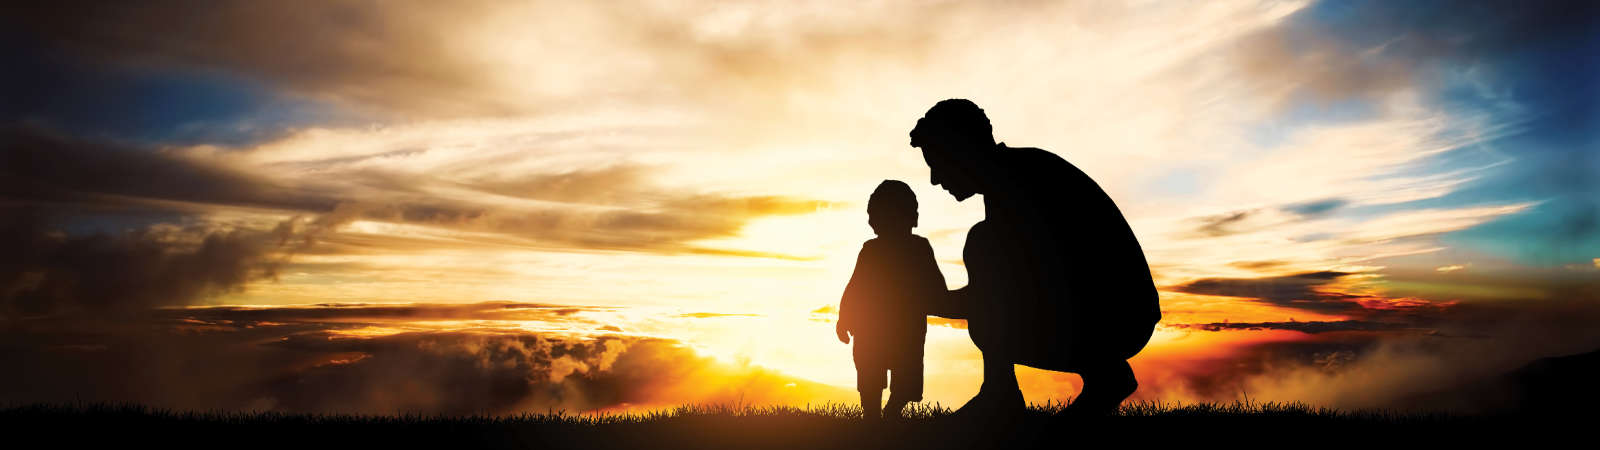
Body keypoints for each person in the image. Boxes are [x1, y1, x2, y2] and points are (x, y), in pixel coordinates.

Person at [909, 99, 1161, 417]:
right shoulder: (1013, 176)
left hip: (1115, 315)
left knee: (982, 246)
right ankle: (1018, 390)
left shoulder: (1017, 185)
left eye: (937, 162)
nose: (934, 179)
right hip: (1113, 310)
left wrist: (922, 301)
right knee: (985, 256)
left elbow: (1000, 297)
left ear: (961, 151)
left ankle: (1008, 394)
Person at [836, 180, 948, 420]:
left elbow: (936, 286)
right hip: (870, 329)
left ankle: (893, 410)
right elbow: (855, 286)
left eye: (875, 214)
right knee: (869, 373)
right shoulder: (870, 250)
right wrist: (844, 317)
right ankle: (872, 415)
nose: (871, 221)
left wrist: (943, 301)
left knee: (906, 375)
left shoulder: (920, 248)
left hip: (906, 329)